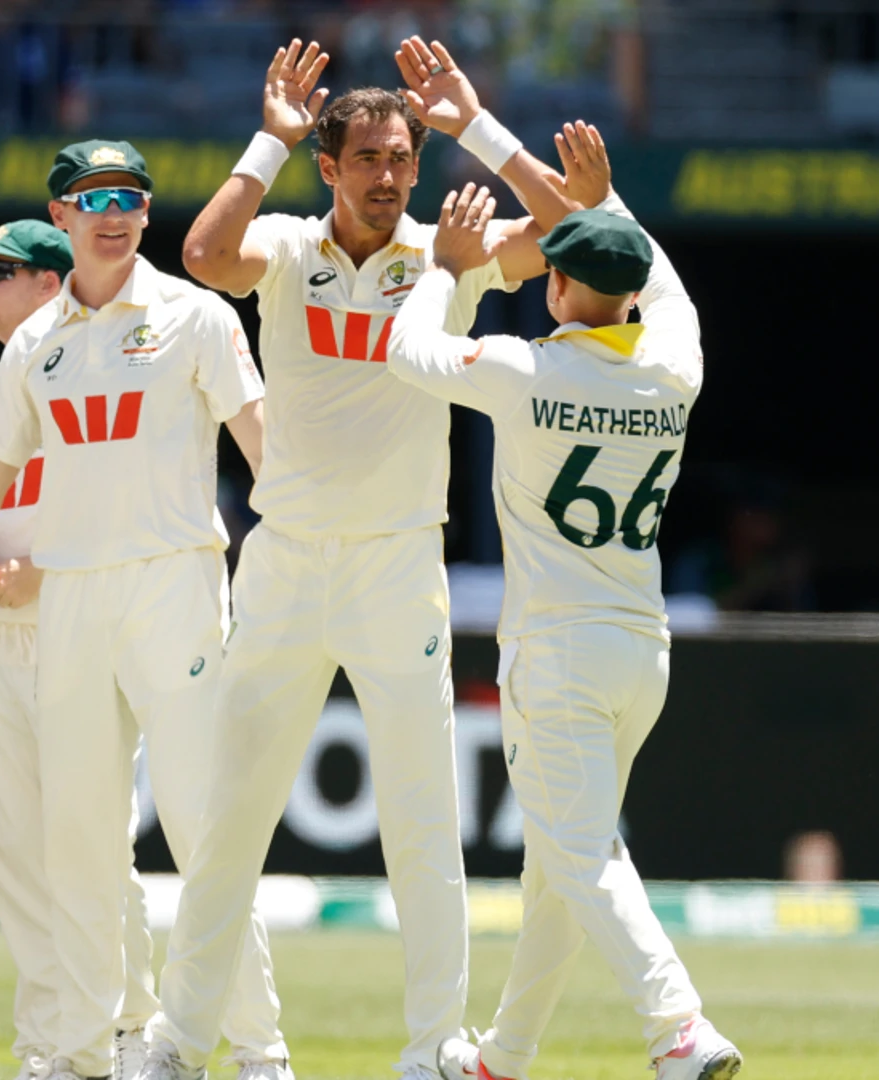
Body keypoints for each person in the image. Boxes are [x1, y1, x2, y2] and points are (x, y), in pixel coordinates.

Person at [139, 36, 573, 1079]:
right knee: (229, 819)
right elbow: (202, 258)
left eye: (401, 157)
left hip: (395, 566)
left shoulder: (445, 257)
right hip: (283, 563)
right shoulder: (288, 248)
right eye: (367, 157)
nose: (387, 175)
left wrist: (474, 123)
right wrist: (268, 138)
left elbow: (571, 229)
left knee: (424, 826)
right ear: (329, 168)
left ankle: (433, 1049)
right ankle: (179, 1041)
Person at [385, 120, 741, 1080]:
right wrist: (603, 194)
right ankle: (504, 1056)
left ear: (553, 286)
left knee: (579, 856)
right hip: (643, 651)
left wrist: (448, 268)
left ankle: (678, 1027)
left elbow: (406, 353)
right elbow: (655, 275)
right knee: (560, 870)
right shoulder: (676, 366)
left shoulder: (523, 369)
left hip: (558, 652)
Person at [0, 141, 268, 1080]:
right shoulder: (35, 346)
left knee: (208, 830)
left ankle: (254, 1049)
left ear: (147, 211)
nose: (114, 213)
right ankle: (86, 1056)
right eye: (93, 199)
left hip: (175, 584)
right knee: (76, 844)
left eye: (130, 196)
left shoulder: (196, 316)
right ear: (61, 216)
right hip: (74, 601)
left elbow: (266, 452)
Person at [0, 219, 162, 1080]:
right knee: (19, 856)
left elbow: (139, 512)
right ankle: (49, 1044)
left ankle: (133, 1028)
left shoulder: (101, 375)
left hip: (84, 630)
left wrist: (48, 571)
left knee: (98, 846)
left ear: (51, 282)